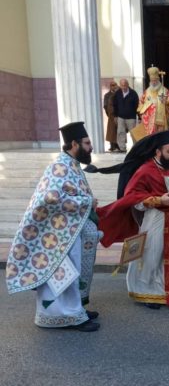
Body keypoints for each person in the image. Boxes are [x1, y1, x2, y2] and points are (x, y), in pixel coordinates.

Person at [5, 122, 102, 331]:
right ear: (74, 144)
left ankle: (75, 310)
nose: (91, 147)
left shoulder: (72, 164)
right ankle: (66, 316)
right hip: (57, 232)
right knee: (64, 274)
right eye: (87, 143)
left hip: (67, 229)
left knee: (71, 272)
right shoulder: (60, 166)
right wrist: (86, 202)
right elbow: (50, 198)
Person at [89, 130, 169, 309]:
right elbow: (133, 197)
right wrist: (158, 200)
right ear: (158, 151)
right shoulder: (145, 171)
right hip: (155, 218)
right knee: (151, 256)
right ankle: (146, 293)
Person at [137, 66, 169, 136]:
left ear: (158, 80)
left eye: (155, 80)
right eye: (152, 81)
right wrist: (141, 114)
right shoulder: (147, 91)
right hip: (149, 119)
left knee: (160, 136)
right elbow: (141, 102)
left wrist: (166, 102)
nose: (154, 82)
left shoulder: (165, 91)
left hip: (161, 119)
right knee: (150, 136)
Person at [113, 78, 139, 152]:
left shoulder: (133, 93)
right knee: (120, 132)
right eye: (122, 85)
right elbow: (115, 105)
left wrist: (139, 117)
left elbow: (137, 105)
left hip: (131, 117)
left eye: (125, 85)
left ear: (128, 85)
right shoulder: (117, 93)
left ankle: (136, 148)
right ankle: (122, 148)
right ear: (120, 85)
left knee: (133, 133)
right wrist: (115, 116)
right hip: (120, 117)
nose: (123, 87)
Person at [103, 80, 119, 152]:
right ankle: (112, 146)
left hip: (118, 115)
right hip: (111, 115)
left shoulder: (119, 94)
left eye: (115, 85)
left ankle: (119, 146)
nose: (114, 86)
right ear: (110, 86)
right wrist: (109, 114)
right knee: (111, 132)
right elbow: (105, 106)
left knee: (119, 131)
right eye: (112, 85)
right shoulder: (107, 95)